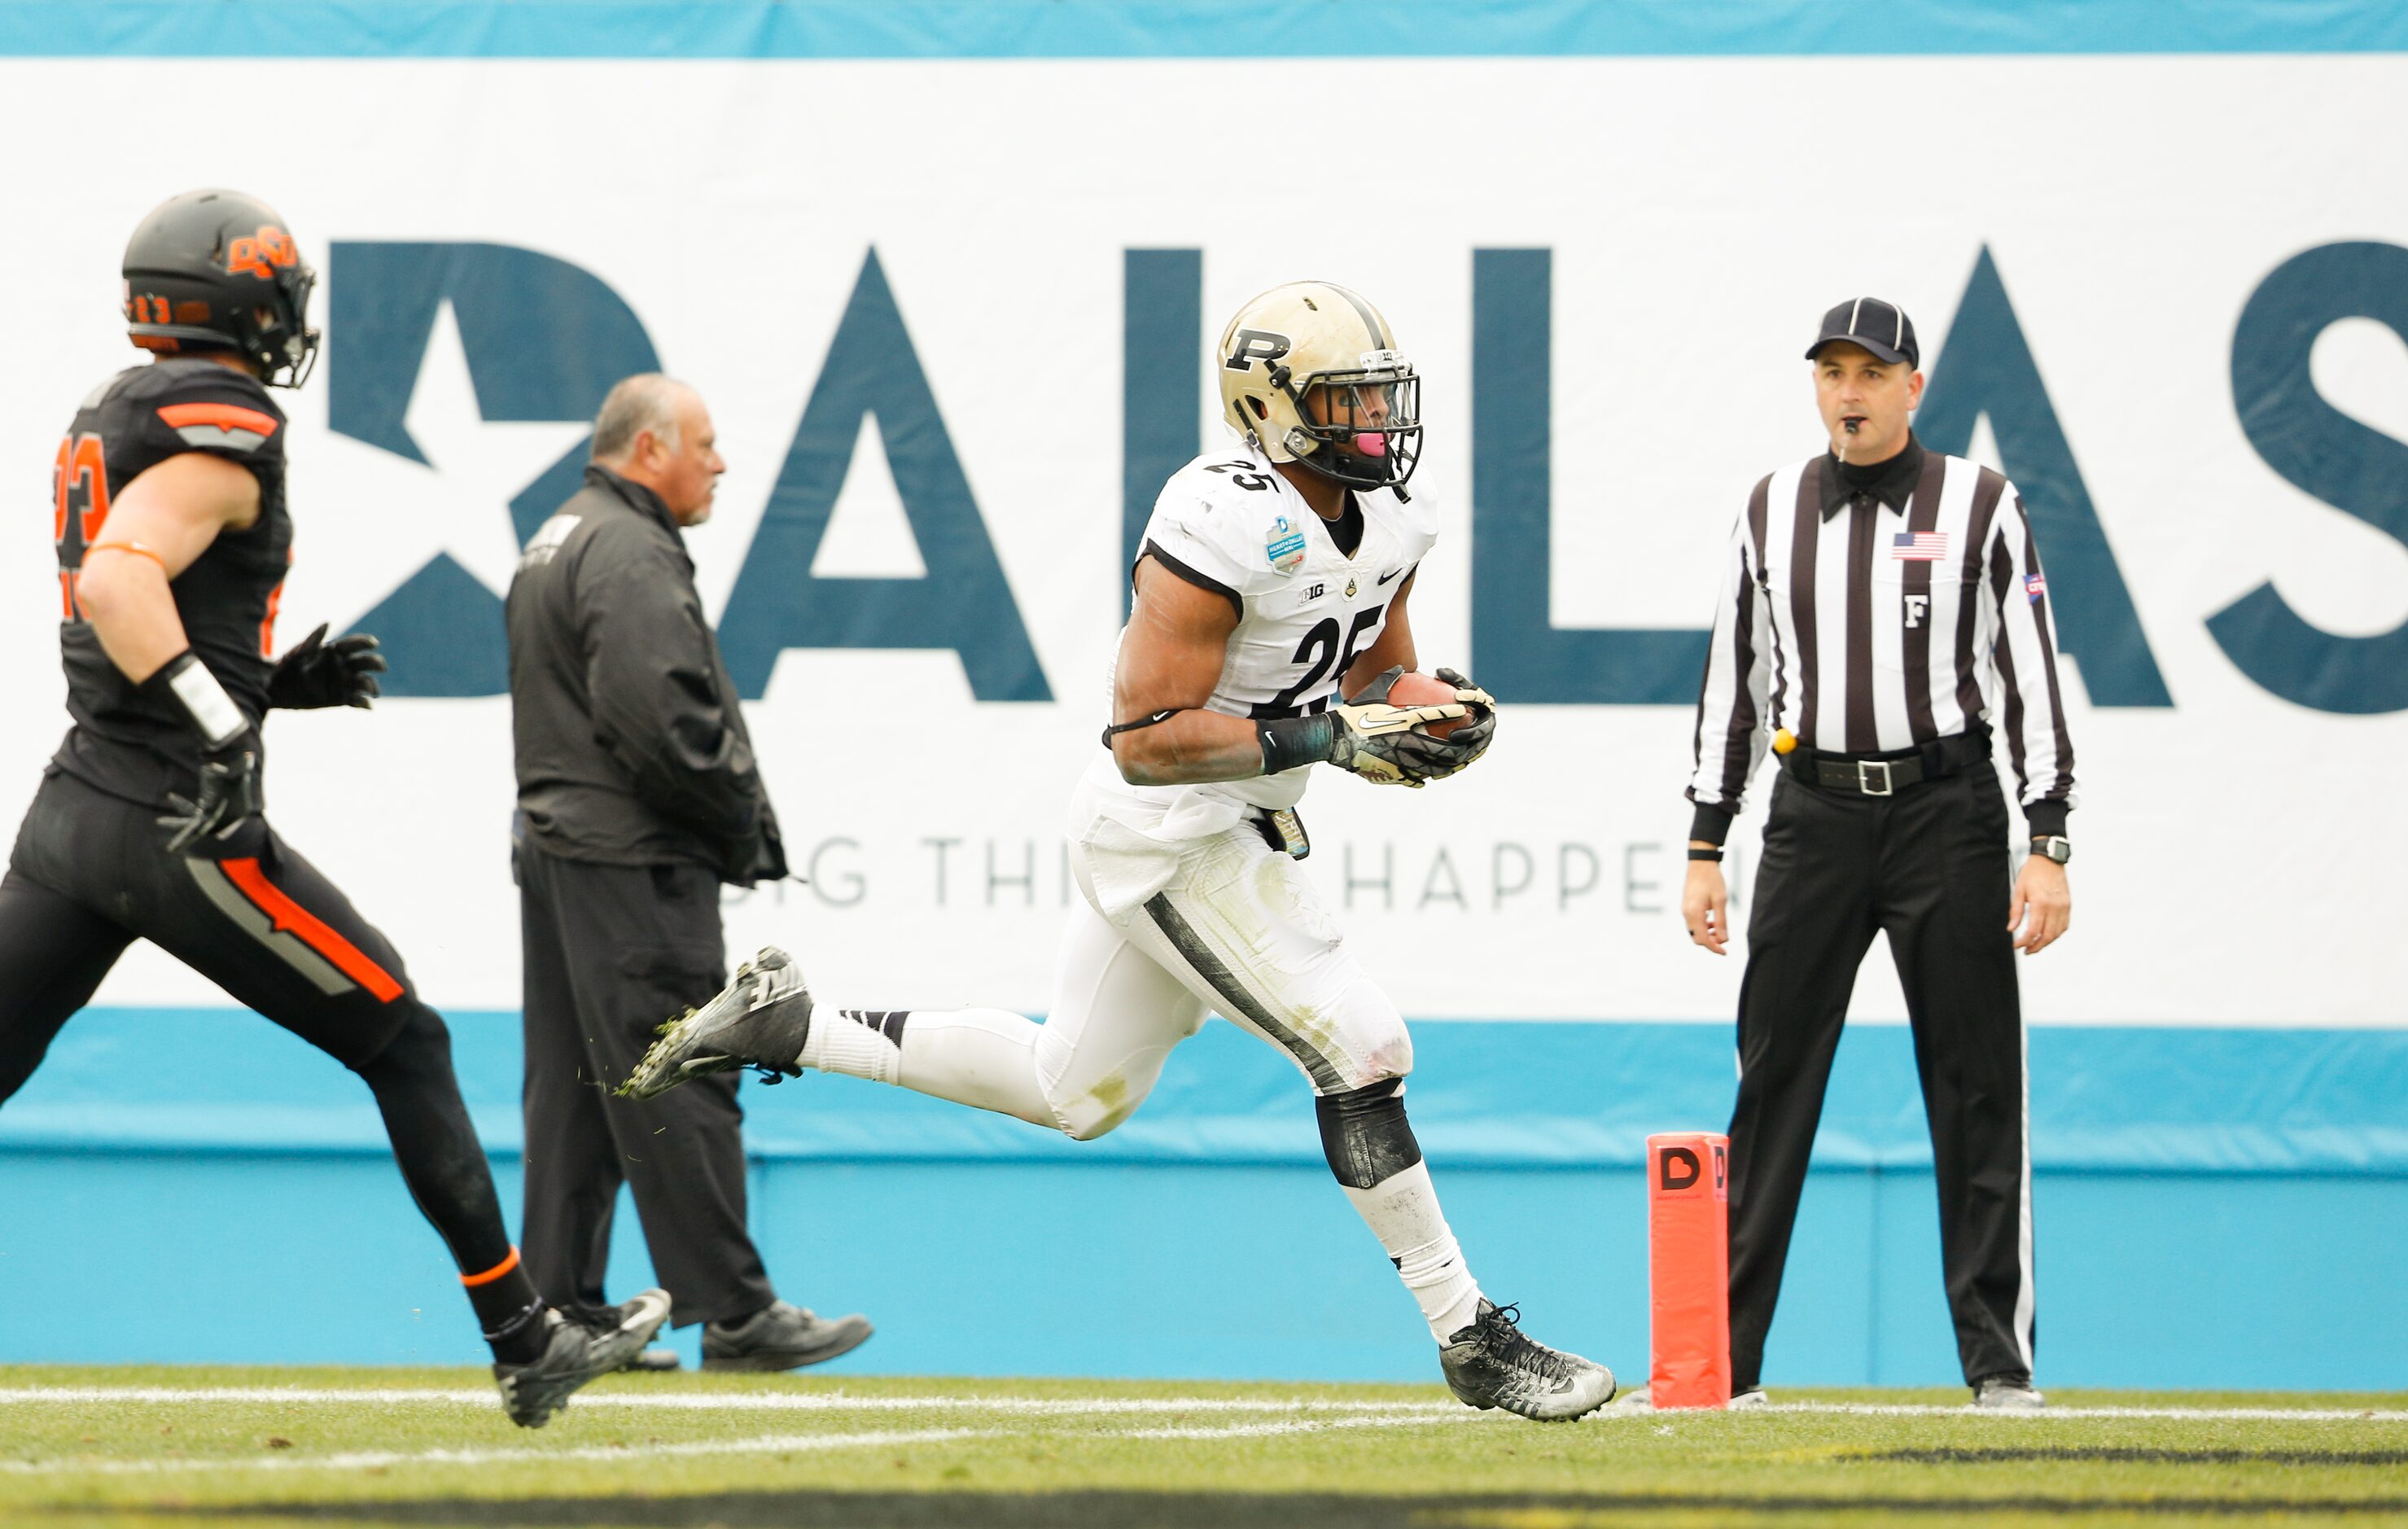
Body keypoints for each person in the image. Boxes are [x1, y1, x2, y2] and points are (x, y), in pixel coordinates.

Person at [0, 190, 664, 1426]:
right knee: (407, 1039)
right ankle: (524, 1334)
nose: (291, 317)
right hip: (177, 825)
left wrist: (269, 683)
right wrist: (227, 720)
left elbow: (137, 600)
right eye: (278, 291)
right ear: (238, 298)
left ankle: (524, 1329)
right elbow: (122, 581)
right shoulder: (220, 423)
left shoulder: (121, 410)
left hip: (82, 806)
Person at [625, 282, 1618, 1422]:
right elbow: (1149, 741)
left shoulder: (1395, 507)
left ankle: (795, 1023)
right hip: (1166, 834)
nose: (1376, 425)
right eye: (1346, 400)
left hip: (1230, 822)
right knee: (1360, 1045)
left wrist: (1428, 709)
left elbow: (1373, 668)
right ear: (1273, 406)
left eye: (1381, 396)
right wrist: (1333, 740)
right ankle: (1469, 1334)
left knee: (1076, 1092)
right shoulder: (1217, 516)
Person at [1679, 296, 2077, 1411]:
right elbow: (1735, 683)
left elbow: (2031, 677)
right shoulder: (1770, 508)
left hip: (1946, 812)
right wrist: (1707, 840)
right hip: (1811, 817)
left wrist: (2046, 839)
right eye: (1831, 371)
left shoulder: (1981, 504)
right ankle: (1726, 1363)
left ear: (1913, 385)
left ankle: (1998, 1364)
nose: (1848, 391)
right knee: (1773, 1082)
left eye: (1871, 371)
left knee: (1976, 1081)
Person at [507, 374, 873, 1373]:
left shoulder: (562, 533)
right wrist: (732, 819)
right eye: (703, 444)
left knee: (577, 1087)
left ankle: (566, 1316)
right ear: (648, 449)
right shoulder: (629, 549)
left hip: (559, 849)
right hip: (632, 856)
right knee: (686, 1061)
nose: (719, 463)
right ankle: (737, 1313)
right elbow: (658, 720)